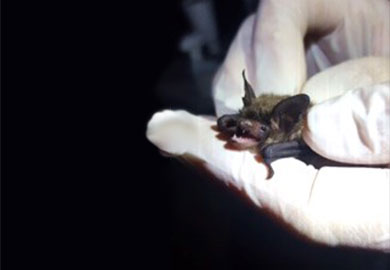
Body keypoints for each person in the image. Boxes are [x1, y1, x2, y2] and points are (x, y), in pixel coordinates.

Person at [147, 0, 390, 251]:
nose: (243, 130)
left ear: (282, 124)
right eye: (243, 125)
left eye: (258, 128)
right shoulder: (262, 134)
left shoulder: (301, 133)